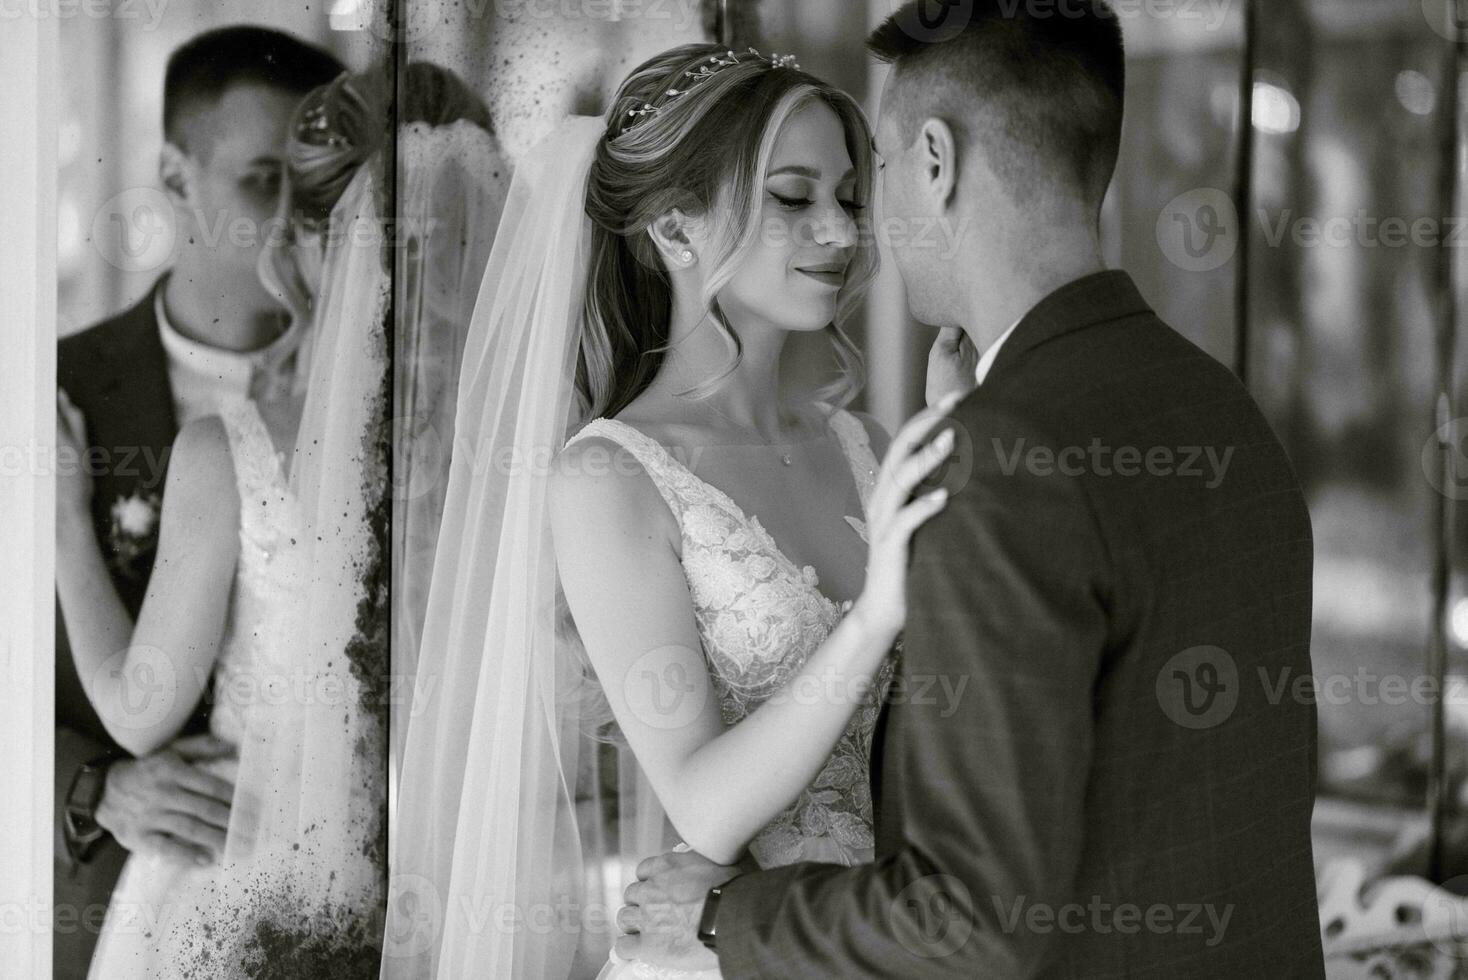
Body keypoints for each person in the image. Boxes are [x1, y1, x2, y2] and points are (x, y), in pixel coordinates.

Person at [621, 2, 1326, 977]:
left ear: (937, 163)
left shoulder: (999, 463)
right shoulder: (1222, 413)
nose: (860, 221)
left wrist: (726, 918)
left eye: (878, 167)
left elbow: (972, 919)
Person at [386, 42, 962, 980]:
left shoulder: (869, 444)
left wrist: (957, 435)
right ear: (675, 230)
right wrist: (875, 617)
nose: (838, 231)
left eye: (849, 197)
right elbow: (700, 803)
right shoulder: (608, 481)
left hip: (874, 942)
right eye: (792, 197)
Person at [59, 62, 498, 978]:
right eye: (255, 179)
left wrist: (61, 519)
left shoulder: (232, 452)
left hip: (242, 891)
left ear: (311, 236)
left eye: (283, 191)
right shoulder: (527, 451)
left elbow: (140, 712)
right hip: (459, 901)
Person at [52, 26, 341, 979]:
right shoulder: (58, 395)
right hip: (101, 906)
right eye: (263, 180)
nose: (301, 220)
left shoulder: (391, 413)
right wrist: (95, 786)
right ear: (175, 178)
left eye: (322, 187)